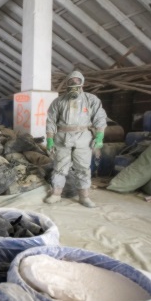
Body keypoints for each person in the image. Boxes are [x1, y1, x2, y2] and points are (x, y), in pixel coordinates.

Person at [44, 70, 107, 208]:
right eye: (71, 86)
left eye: (77, 86)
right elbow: (50, 122)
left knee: (83, 168)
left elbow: (100, 119)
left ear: (82, 85)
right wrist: (49, 140)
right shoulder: (58, 101)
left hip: (83, 138)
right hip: (62, 138)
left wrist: (100, 136)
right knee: (59, 167)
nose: (74, 89)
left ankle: (84, 197)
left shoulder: (91, 100)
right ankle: (56, 194)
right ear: (67, 86)